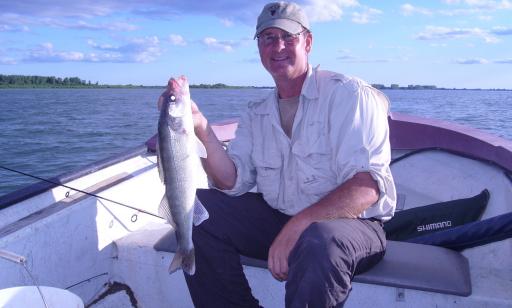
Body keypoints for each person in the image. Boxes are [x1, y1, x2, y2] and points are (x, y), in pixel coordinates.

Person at [159, 1, 396, 307]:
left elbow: (367, 187)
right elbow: (232, 181)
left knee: (318, 241)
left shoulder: (350, 95)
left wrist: (297, 226)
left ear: (308, 42)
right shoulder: (258, 113)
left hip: (353, 227)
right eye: (268, 38)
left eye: (288, 37)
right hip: (282, 217)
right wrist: (200, 126)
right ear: (259, 47)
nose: (278, 46)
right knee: (198, 212)